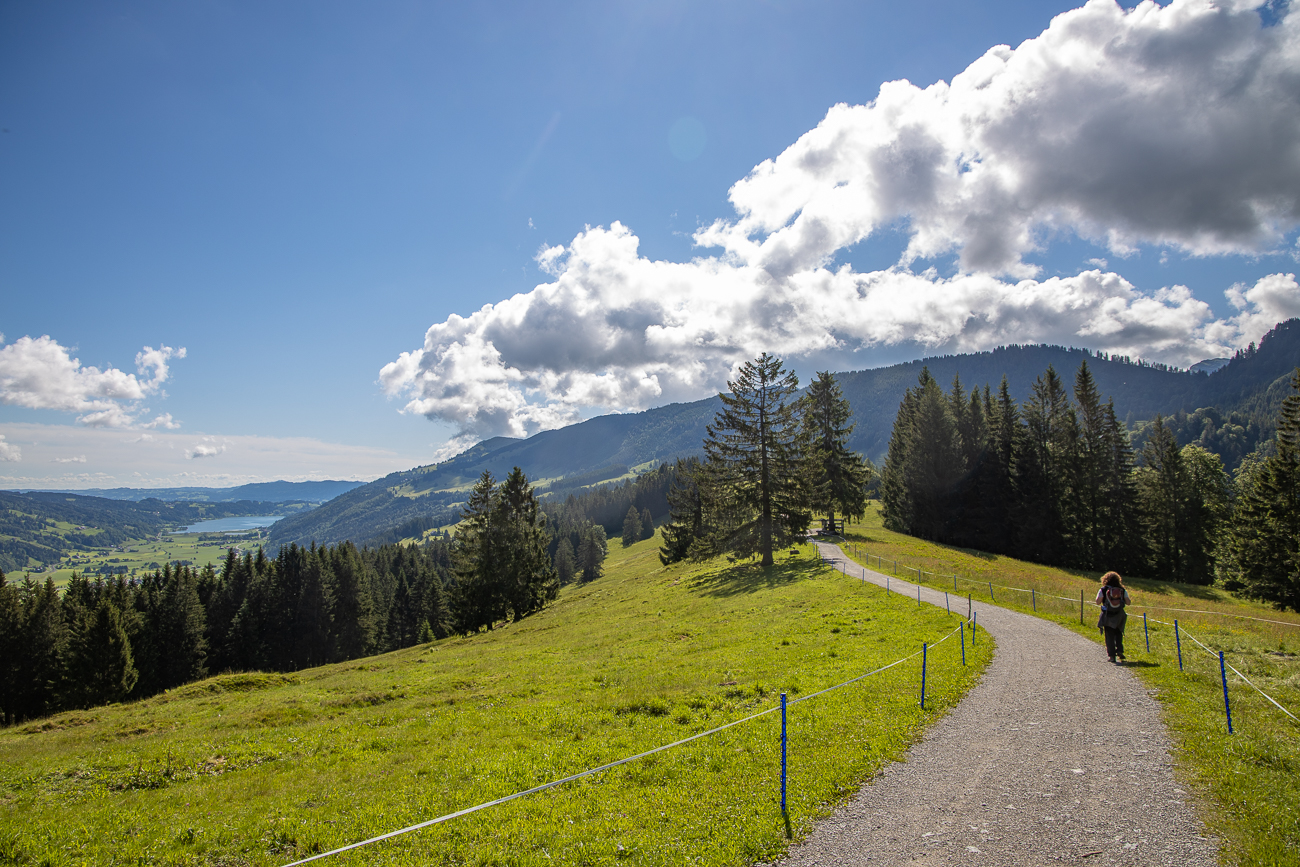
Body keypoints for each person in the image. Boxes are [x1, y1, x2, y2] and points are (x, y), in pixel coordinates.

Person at [1094, 571, 1131, 663]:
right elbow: (1128, 602)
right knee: (1118, 633)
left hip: (1108, 615)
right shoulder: (1122, 590)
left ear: (1105, 579)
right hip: (1119, 615)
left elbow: (1098, 602)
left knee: (1109, 635)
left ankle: (1112, 656)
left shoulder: (1103, 589)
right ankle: (1119, 650)